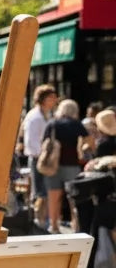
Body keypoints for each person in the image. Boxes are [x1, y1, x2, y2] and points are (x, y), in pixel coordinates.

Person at [42, 99, 89, 234]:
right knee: (73, 197)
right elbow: (89, 141)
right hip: (72, 165)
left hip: (53, 165)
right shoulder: (76, 124)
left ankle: (54, 226)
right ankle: (75, 225)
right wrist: (82, 148)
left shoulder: (52, 123)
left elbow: (44, 142)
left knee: (53, 196)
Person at [21, 84, 58, 225]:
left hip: (44, 158)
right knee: (40, 192)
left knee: (45, 191)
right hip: (38, 159)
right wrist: (43, 155)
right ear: (42, 99)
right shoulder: (35, 117)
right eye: (51, 98)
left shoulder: (46, 115)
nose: (54, 100)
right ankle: (39, 222)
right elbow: (31, 142)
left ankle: (43, 222)